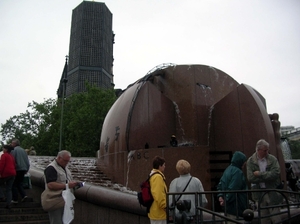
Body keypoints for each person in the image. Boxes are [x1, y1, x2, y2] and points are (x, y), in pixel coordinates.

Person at [247, 139, 282, 224]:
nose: (267, 152)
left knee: (276, 218)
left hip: (272, 192)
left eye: (267, 150)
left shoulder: (272, 159)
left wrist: (260, 174)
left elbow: (276, 173)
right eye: (265, 150)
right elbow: (250, 177)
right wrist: (267, 176)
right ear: (258, 150)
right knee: (263, 219)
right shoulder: (251, 161)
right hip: (259, 194)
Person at [44, 150, 79, 224]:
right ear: (59, 158)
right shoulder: (51, 168)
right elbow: (50, 184)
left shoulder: (65, 168)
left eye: (68, 161)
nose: (66, 163)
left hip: (66, 200)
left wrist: (74, 184)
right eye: (65, 161)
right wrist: (67, 185)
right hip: (56, 201)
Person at [217, 151, 248, 223]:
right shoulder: (238, 172)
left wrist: (220, 196)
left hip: (228, 208)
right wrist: (226, 200)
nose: (245, 163)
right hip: (237, 207)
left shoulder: (227, 170)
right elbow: (234, 188)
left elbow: (220, 185)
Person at [148, 156, 167, 224]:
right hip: (159, 213)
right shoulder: (157, 177)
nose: (165, 167)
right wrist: (165, 206)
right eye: (164, 165)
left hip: (156, 212)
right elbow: (159, 194)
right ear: (160, 166)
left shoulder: (153, 175)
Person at [10, 138, 30, 203]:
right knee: (19, 183)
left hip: (17, 169)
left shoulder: (13, 150)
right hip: (24, 169)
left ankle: (15, 199)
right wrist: (27, 169)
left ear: (15, 144)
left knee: (14, 184)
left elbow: (12, 160)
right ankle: (24, 195)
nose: (11, 144)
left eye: (12, 143)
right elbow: (27, 161)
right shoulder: (23, 151)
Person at [0, 145, 16, 209]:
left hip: (6, 173)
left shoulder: (4, 155)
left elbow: (1, 165)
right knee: (9, 189)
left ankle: (2, 196)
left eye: (3, 149)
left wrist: (0, 173)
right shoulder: (11, 156)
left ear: (6, 149)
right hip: (13, 173)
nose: (3, 150)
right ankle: (9, 203)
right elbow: (14, 164)